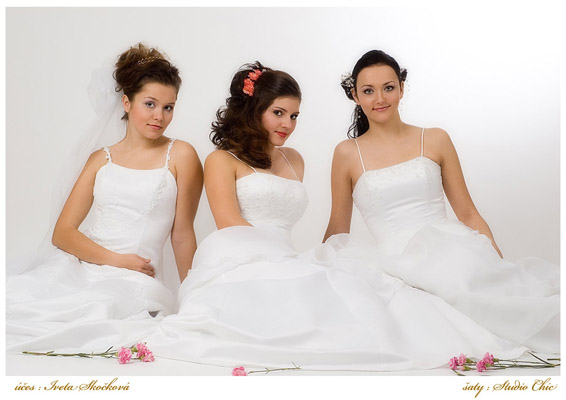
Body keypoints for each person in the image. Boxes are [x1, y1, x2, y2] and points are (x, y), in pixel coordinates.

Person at [146, 62, 524, 372]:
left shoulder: (295, 160)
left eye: (294, 115)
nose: (287, 124)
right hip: (240, 256)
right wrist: (291, 263)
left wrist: (316, 262)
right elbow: (230, 223)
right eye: (278, 113)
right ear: (253, 109)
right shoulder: (220, 160)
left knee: (359, 305)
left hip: (287, 257)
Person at [323, 49, 559, 354]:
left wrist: (498, 266)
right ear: (355, 95)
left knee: (504, 309)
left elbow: (468, 213)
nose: (379, 98)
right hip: (392, 265)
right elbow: (338, 229)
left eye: (388, 87)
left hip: (450, 252)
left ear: (402, 89)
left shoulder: (435, 139)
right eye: (368, 91)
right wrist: (321, 278)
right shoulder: (346, 154)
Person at [6, 43, 203, 353]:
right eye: (150, 104)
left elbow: (182, 235)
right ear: (126, 102)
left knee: (100, 309)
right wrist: (118, 260)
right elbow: (63, 232)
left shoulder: (181, 155)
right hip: (82, 267)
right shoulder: (101, 159)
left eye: (169, 107)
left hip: (137, 278)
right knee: (21, 299)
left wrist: (195, 299)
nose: (160, 116)